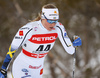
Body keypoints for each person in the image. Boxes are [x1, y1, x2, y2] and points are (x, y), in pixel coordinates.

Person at [0, 4, 82, 78]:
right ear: (43, 17)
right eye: (50, 21)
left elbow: (70, 50)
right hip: (22, 67)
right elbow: (12, 49)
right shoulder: (29, 29)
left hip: (38, 70)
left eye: (55, 21)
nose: (53, 24)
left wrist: (75, 44)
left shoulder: (59, 28)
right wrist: (3, 69)